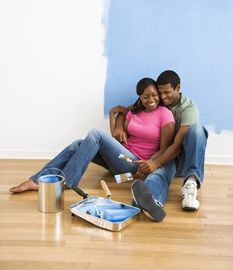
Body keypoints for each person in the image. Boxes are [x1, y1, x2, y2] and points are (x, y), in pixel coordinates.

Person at [9, 78, 175, 202]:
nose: (151, 99)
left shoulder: (164, 114)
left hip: (136, 164)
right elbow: (114, 136)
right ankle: (36, 180)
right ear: (139, 97)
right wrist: (112, 114)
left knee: (95, 134)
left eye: (154, 95)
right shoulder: (134, 112)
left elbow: (164, 148)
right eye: (145, 96)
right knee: (77, 145)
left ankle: (67, 182)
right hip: (122, 159)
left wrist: (148, 165)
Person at [113, 70, 208, 222]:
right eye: (160, 92)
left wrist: (155, 162)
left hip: (182, 157)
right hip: (165, 156)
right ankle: (152, 201)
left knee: (197, 129)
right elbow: (127, 111)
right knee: (158, 175)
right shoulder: (157, 100)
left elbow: (177, 145)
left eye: (167, 92)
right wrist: (118, 124)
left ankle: (191, 183)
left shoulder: (189, 109)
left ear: (178, 88)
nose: (163, 97)